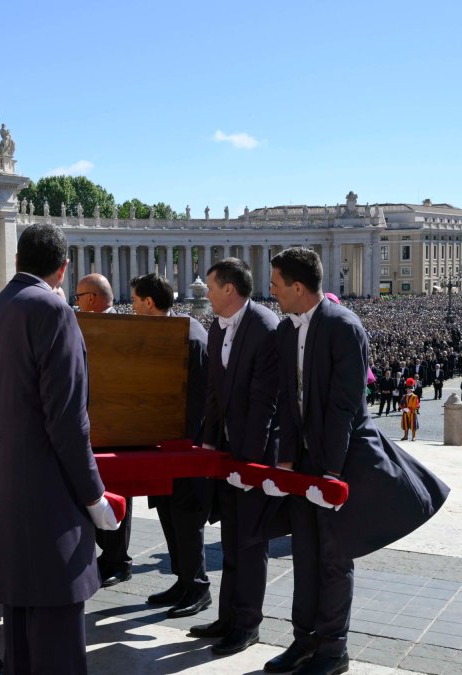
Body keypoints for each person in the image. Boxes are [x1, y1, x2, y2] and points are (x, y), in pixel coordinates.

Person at [267, 247, 449, 675]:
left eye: (276, 285)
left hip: (343, 459)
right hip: (306, 461)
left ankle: (333, 650)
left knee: (333, 556)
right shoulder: (285, 331)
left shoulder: (344, 326)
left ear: (297, 286)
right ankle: (303, 641)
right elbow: (288, 403)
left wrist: (330, 472)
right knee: (304, 554)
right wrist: (289, 463)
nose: (272, 292)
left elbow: (344, 406)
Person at [0, 224, 119, 674]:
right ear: (64, 268)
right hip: (46, 494)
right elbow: (69, 420)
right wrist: (94, 498)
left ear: (16, 261)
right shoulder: (53, 312)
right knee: (56, 634)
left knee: (19, 631)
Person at [191, 257, 280, 656]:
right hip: (226, 453)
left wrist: (250, 464)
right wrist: (209, 446)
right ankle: (227, 617)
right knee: (229, 541)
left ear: (229, 289)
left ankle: (248, 624)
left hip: (254, 455)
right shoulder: (216, 325)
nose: (204, 293)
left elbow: (266, 404)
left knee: (250, 543)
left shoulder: (264, 326)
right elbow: (214, 390)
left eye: (210, 286)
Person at [130, 273, 213, 619]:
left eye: (135, 301)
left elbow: (200, 397)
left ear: (149, 302)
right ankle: (182, 580)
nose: (133, 308)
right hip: (166, 443)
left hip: (186, 445)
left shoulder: (188, 334)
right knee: (168, 512)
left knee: (186, 516)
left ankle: (198, 586)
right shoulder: (167, 331)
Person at [74, 272, 132, 588]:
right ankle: (108, 554)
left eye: (79, 297)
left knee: (116, 490)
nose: (77, 303)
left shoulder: (124, 327)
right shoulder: (86, 325)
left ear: (93, 299)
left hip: (117, 423)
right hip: (94, 422)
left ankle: (117, 559)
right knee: (97, 488)